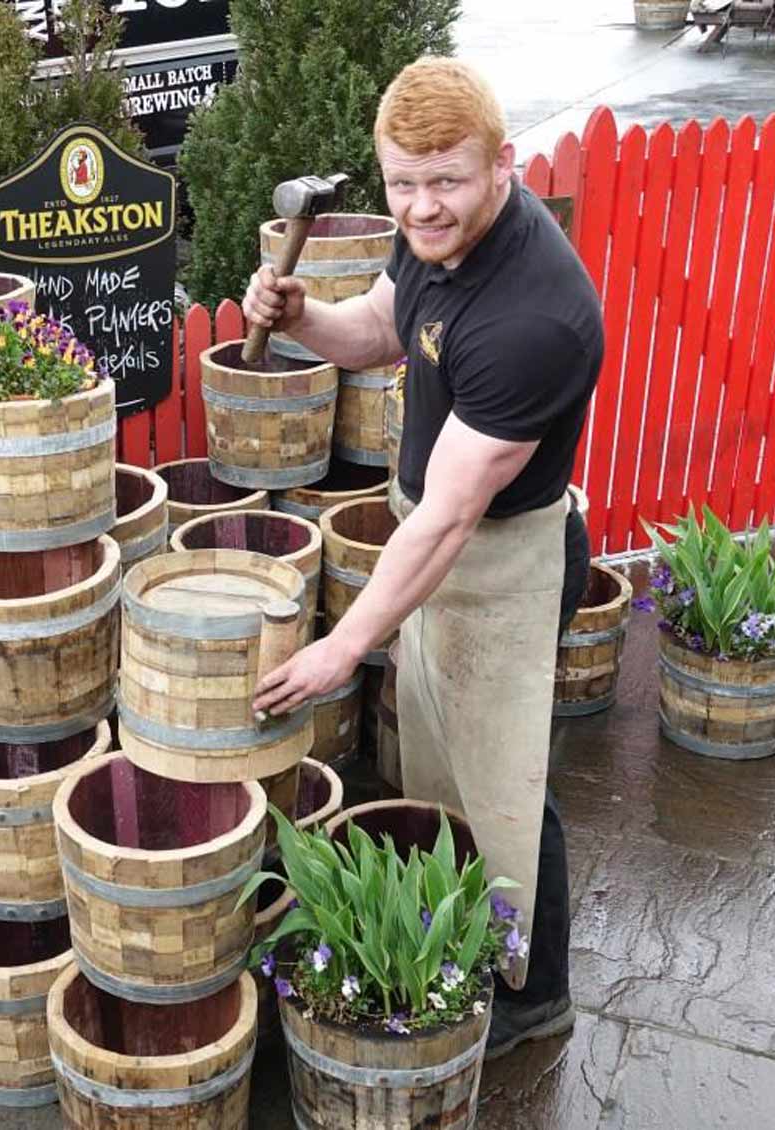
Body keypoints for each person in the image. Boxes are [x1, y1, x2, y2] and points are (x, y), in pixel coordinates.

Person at [247, 56, 602, 1060]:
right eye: (401, 182)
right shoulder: (429, 244)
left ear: (501, 163)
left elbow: (446, 519)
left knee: (502, 788)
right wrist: (303, 316)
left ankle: (537, 998)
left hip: (502, 561)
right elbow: (378, 328)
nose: (420, 205)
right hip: (441, 547)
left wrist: (343, 643)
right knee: (442, 768)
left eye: (444, 179)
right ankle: (465, 942)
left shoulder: (532, 315)